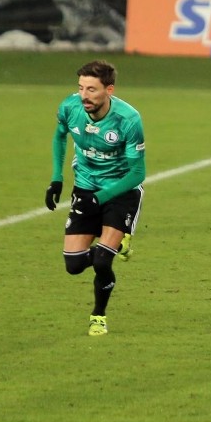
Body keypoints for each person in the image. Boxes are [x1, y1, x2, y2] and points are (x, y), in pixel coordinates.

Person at [45, 60, 146, 336]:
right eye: (80, 88)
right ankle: (114, 246)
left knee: (102, 261)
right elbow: (59, 137)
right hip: (85, 188)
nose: (84, 95)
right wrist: (57, 178)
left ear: (109, 90)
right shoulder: (70, 107)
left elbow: (138, 173)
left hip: (120, 191)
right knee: (74, 265)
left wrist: (101, 198)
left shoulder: (128, 120)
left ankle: (98, 315)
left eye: (91, 89)